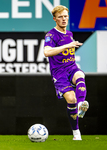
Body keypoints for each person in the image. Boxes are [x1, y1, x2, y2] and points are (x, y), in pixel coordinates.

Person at [44, 5, 89, 140]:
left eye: (65, 16)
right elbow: (46, 52)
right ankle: (76, 132)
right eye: (60, 17)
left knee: (80, 76)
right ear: (55, 19)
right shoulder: (51, 35)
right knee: (71, 100)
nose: (64, 19)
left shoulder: (69, 34)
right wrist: (66, 46)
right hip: (59, 73)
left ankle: (81, 104)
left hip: (71, 67)